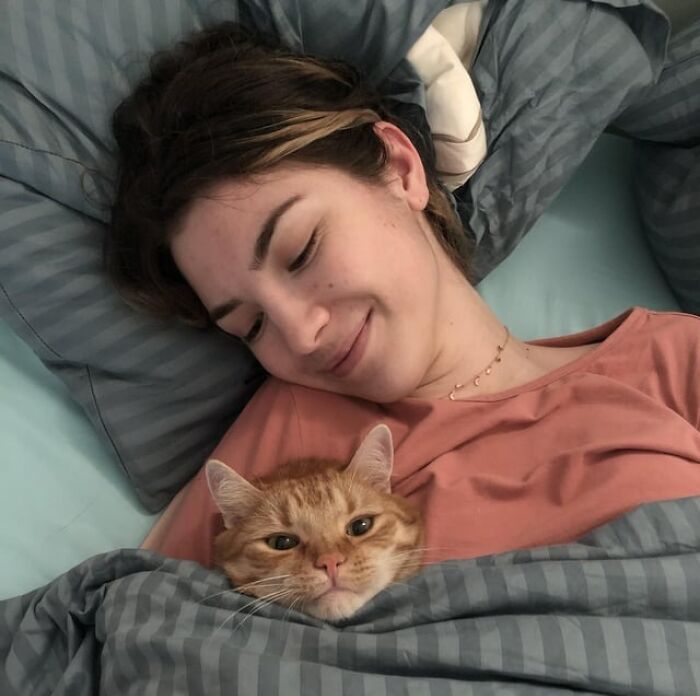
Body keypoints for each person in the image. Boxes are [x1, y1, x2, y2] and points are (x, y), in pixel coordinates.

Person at [105, 21, 700, 569]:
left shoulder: (674, 360)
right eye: (251, 327)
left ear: (401, 167)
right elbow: (143, 628)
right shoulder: (286, 435)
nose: (300, 334)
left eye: (302, 250)